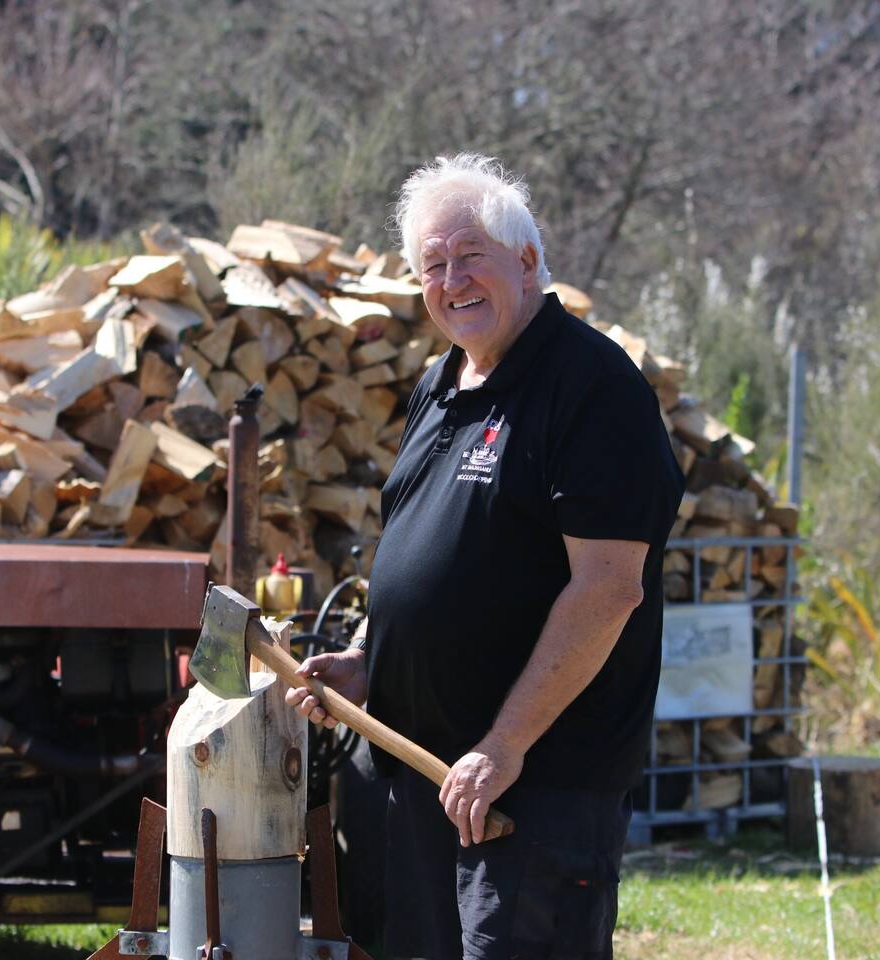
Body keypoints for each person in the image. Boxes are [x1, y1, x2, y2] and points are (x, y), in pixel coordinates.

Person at [286, 153, 685, 959]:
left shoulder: (591, 385)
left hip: (530, 792)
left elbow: (607, 589)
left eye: (471, 255)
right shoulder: (442, 384)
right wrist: (371, 661)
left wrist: (503, 746)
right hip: (416, 776)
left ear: (529, 259)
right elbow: (423, 548)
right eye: (432, 265)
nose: (452, 279)